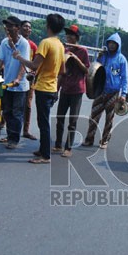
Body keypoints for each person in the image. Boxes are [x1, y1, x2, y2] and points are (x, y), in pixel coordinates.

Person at [13, 13, 65, 164]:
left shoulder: (46, 43)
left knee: (43, 122)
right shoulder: (60, 45)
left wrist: (19, 57)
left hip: (43, 87)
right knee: (43, 121)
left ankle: (45, 156)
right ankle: (43, 150)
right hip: (52, 87)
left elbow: (34, 65)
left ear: (48, 25)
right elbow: (62, 70)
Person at [82, 33, 128, 149]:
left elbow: (124, 77)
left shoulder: (122, 59)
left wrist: (124, 94)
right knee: (94, 116)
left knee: (109, 118)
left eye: (114, 44)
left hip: (113, 92)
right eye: (110, 43)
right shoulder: (103, 56)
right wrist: (98, 57)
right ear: (107, 44)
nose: (112, 46)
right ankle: (89, 139)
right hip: (100, 90)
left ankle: (104, 140)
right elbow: (95, 69)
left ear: (118, 45)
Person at [53, 24, 89, 157]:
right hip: (65, 88)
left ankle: (68, 148)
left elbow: (86, 70)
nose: (68, 37)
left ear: (76, 37)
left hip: (77, 90)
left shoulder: (83, 51)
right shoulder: (65, 50)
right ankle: (57, 144)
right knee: (59, 118)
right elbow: (61, 73)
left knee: (72, 121)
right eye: (67, 34)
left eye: (71, 35)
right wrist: (56, 90)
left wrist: (76, 59)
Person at [0, 16, 30, 150]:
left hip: (19, 86)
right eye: (6, 26)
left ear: (17, 28)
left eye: (10, 26)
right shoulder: (4, 42)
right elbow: (0, 61)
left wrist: (18, 78)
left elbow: (23, 63)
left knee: (17, 113)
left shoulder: (24, 43)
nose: (7, 29)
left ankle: (14, 139)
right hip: (7, 84)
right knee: (7, 112)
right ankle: (10, 135)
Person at [20, 20, 38, 140]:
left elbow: (37, 63)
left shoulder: (33, 45)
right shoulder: (15, 42)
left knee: (28, 105)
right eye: (25, 26)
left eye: (29, 27)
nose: (28, 29)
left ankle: (25, 130)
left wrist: (33, 72)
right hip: (15, 77)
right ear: (20, 28)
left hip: (29, 78)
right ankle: (5, 125)